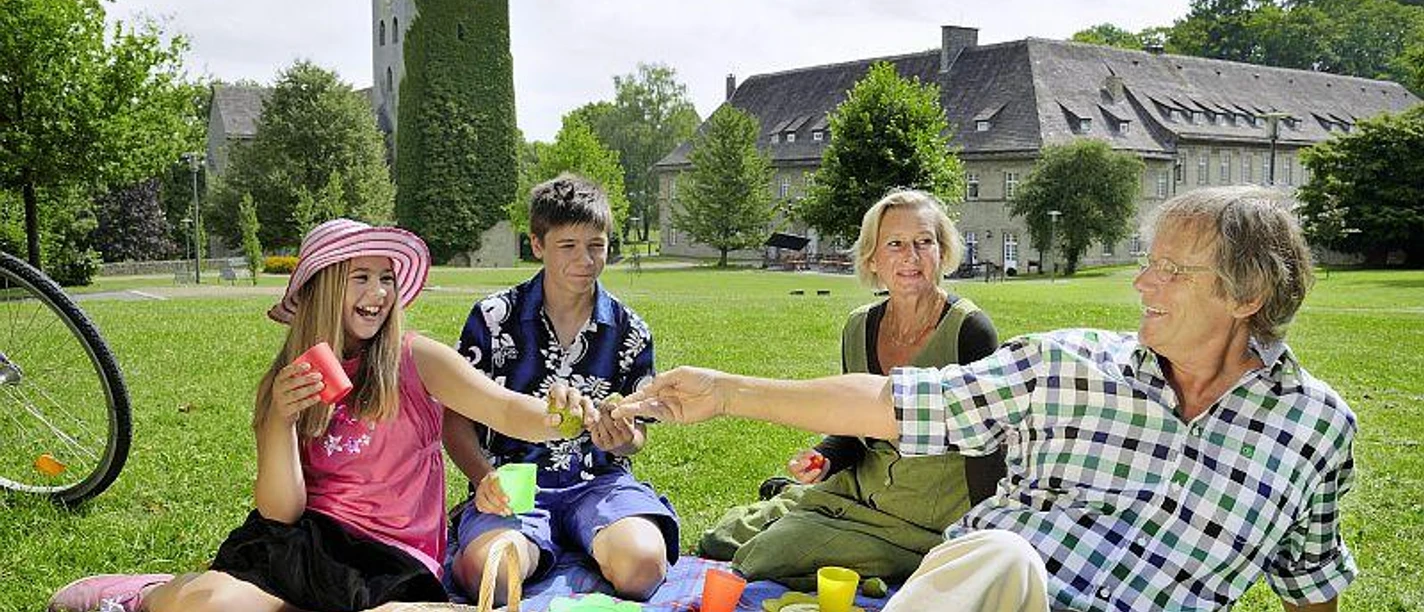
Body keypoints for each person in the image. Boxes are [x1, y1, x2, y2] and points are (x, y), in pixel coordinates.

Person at [615, 186, 1356, 612]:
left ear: (1248, 294)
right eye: (1147, 262)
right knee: (1001, 555)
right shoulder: (1065, 363)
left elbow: (1311, 581)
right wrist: (728, 391)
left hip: (925, 524)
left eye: (1173, 270)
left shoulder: (1316, 429)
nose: (1142, 283)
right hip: (1001, 593)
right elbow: (891, 404)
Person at [48, 219, 596, 612]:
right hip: (307, 544)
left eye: (386, 278)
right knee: (210, 605)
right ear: (324, 288)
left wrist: (562, 416)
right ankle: (145, 594)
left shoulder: (417, 359)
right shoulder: (287, 382)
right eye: (360, 277)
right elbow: (280, 512)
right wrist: (278, 421)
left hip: (392, 561)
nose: (379, 293)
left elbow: (504, 408)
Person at [697, 189, 1004, 590]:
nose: (911, 256)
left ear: (942, 252)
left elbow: (989, 448)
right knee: (720, 537)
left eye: (924, 242)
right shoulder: (859, 326)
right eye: (895, 244)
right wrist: (825, 457)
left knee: (762, 556)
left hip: (920, 519)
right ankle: (795, 498)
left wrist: (979, 542)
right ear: (872, 258)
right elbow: (854, 426)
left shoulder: (970, 330)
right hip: (857, 488)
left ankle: (803, 513)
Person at [443, 173, 677, 604]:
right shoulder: (492, 319)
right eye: (567, 245)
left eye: (596, 245)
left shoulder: (631, 330)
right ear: (537, 245)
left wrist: (623, 438)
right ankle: (517, 543)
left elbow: (638, 435)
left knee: (643, 568)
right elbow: (454, 422)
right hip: (514, 485)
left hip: (601, 484)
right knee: (493, 577)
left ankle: (585, 541)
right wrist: (483, 479)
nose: (584, 259)